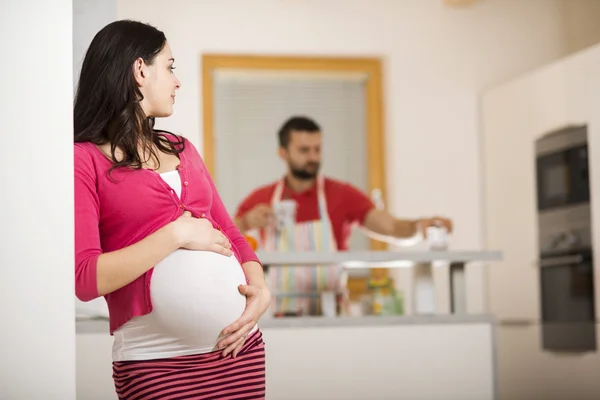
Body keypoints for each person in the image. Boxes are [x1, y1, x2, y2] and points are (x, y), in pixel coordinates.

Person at [74, 20, 270, 400]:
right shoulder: (84, 160)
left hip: (238, 353)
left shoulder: (182, 148)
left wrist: (260, 288)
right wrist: (176, 233)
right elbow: (86, 279)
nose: (177, 81)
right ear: (140, 70)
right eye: (170, 66)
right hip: (156, 361)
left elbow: (230, 234)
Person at [234, 116, 453, 315]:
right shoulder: (262, 198)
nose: (313, 157)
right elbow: (226, 234)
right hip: (278, 314)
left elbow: (391, 228)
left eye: (317, 149)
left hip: (332, 313)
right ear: (283, 153)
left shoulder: (341, 195)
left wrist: (420, 227)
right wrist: (246, 221)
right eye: (304, 150)